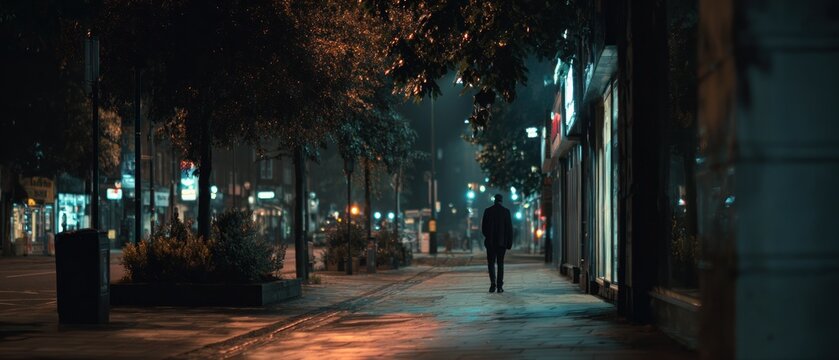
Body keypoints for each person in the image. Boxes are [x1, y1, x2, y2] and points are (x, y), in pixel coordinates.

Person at [481, 193, 513, 293]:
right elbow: (509, 229)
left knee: (491, 263)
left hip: (490, 243)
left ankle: (492, 284)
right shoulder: (506, 212)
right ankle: (499, 286)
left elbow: (483, 228)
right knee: (500, 264)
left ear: (494, 200)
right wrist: (509, 243)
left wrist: (488, 236)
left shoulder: (487, 211)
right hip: (501, 243)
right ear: (501, 201)